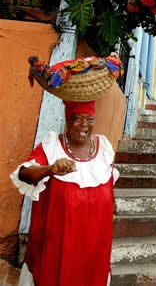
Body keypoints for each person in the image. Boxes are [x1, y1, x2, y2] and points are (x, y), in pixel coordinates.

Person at [11, 99, 118, 286]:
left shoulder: (104, 149)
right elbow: (23, 174)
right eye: (78, 119)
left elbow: (108, 187)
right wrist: (50, 169)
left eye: (89, 119)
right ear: (67, 120)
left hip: (94, 250)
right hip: (57, 248)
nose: (84, 125)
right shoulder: (52, 147)